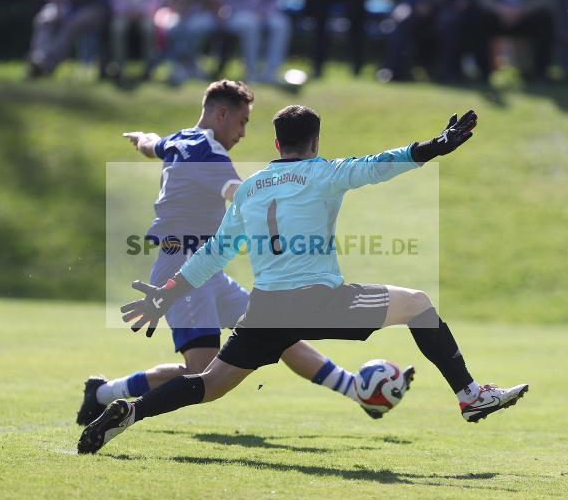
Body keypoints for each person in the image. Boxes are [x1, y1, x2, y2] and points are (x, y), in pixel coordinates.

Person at [79, 103, 529, 454]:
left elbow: (213, 253)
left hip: (265, 309)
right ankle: (469, 394)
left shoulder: (251, 188)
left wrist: (166, 294)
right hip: (319, 301)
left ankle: (132, 412)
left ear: (277, 144)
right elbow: (381, 163)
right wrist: (436, 145)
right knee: (418, 304)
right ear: (314, 142)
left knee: (209, 384)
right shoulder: (325, 172)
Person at [76, 80, 414, 428]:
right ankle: (104, 392)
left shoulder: (178, 140)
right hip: (184, 264)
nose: (242, 133)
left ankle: (355, 390)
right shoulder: (209, 152)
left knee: (278, 331)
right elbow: (239, 193)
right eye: (242, 122)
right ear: (222, 113)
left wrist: (141, 138)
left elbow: (152, 145)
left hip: (207, 271)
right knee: (201, 369)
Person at [381, 0, 477, 83]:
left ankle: (448, 72)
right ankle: (393, 70)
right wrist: (417, 2)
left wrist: (464, 0)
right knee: (401, 19)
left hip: (449, 7)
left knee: (450, 23)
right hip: (421, 6)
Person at [221, 0, 291, 83]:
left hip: (265, 12)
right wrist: (249, 9)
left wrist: (264, 11)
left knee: (281, 24)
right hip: (239, 13)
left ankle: (271, 72)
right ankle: (251, 71)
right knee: (250, 25)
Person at [162, 0, 223, 85]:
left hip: (205, 13)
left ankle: (192, 65)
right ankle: (181, 66)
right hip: (182, 12)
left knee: (196, 28)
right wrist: (182, 10)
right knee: (174, 28)